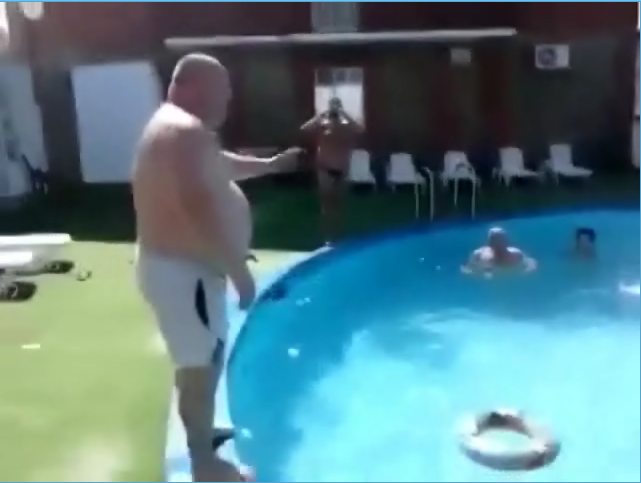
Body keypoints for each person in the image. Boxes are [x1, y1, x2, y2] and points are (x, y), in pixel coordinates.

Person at [132, 52, 300, 482]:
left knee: (202, 362)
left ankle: (202, 436)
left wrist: (270, 166)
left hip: (182, 270)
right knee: (199, 372)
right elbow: (198, 205)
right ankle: (205, 466)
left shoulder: (177, 130)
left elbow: (217, 168)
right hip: (184, 274)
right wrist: (236, 269)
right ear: (189, 86)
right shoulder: (184, 132)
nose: (228, 98)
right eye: (221, 89)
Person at [300, 97, 363, 244]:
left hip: (342, 169)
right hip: (325, 168)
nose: (334, 109)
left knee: (339, 202)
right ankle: (327, 235)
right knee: (327, 202)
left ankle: (339, 233)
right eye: (332, 106)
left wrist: (343, 113)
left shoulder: (346, 126)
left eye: (336, 106)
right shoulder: (323, 125)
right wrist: (320, 115)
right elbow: (304, 129)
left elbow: (360, 129)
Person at [462, 227, 537, 276]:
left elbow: (531, 263)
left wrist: (529, 270)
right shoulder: (479, 254)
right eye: (495, 240)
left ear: (506, 242)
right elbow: (466, 267)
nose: (498, 244)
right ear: (490, 243)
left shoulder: (516, 254)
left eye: (500, 240)